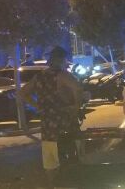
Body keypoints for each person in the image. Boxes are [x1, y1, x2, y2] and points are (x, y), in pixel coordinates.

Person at [19, 46, 84, 184]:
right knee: (73, 163)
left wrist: (38, 106)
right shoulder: (63, 75)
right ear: (62, 60)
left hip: (47, 129)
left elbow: (22, 92)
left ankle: (53, 185)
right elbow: (78, 89)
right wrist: (76, 107)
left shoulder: (38, 77)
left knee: (50, 165)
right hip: (65, 128)